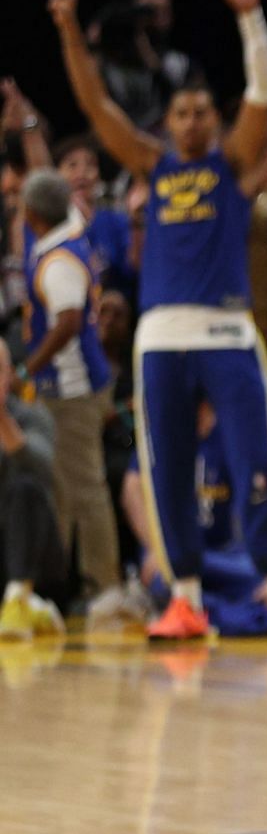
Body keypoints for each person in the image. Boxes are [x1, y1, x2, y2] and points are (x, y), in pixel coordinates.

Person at [44, 0, 267, 642]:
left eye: (200, 112)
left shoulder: (229, 164)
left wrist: (249, 13)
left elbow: (264, 92)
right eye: (179, 112)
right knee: (168, 470)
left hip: (225, 332)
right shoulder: (152, 166)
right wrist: (69, 29)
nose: (189, 121)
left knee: (253, 459)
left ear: (213, 121)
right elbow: (95, 102)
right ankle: (184, 596)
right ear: (167, 123)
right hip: (161, 338)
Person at [17, 171, 119, 608]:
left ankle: (105, 588)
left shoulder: (59, 263)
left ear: (32, 214)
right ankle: (59, 585)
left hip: (72, 389)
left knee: (84, 489)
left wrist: (26, 367)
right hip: (68, 386)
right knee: (61, 488)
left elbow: (69, 323)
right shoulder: (70, 224)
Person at [0, 340, 66, 640]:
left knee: (25, 487)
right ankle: (35, 610)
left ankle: (20, 597)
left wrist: (2, 420)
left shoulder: (33, 415)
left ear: (9, 375)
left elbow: (42, 467)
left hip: (37, 559)